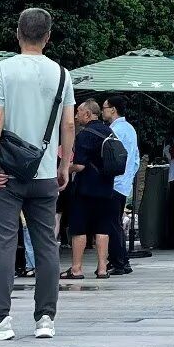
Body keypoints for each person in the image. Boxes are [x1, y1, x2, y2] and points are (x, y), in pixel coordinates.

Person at [0, 7, 73, 342]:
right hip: (45, 174)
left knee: (3, 242)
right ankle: (45, 319)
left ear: (17, 33)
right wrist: (64, 165)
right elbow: (69, 124)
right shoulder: (62, 74)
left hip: (8, 174)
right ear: (48, 37)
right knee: (46, 245)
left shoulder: (3, 69)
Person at [66, 96, 119, 279]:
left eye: (79, 112)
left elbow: (80, 166)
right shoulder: (110, 132)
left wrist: (65, 168)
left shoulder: (84, 135)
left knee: (79, 228)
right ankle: (102, 269)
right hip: (107, 187)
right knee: (103, 228)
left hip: (86, 189)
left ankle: (76, 269)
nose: (76, 116)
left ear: (87, 114)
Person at [100, 96, 139, 274]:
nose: (103, 111)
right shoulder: (130, 129)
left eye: (104, 108)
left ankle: (119, 262)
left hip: (114, 182)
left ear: (113, 109)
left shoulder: (114, 131)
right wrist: (128, 177)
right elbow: (136, 159)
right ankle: (122, 259)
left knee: (111, 224)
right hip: (123, 183)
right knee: (115, 222)